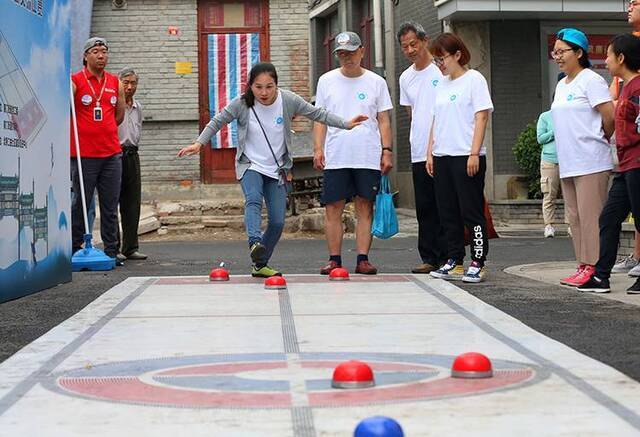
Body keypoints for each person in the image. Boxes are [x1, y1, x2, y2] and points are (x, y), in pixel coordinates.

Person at [177, 62, 367, 277]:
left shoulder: (288, 100)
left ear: (277, 85)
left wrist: (346, 123)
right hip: (250, 165)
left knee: (277, 221)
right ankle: (254, 242)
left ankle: (260, 263)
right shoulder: (241, 104)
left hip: (277, 169)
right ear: (250, 86)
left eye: (269, 86)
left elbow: (317, 114)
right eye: (258, 87)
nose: (264, 92)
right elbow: (218, 120)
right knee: (254, 199)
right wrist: (199, 143)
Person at [313, 31, 393, 275]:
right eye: (341, 54)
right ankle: (334, 259)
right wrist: (318, 147)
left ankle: (363, 259)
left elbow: (384, 120)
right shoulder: (326, 80)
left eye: (351, 52)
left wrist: (386, 151)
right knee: (333, 208)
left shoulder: (376, 82)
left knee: (364, 208)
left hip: (367, 155)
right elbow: (319, 119)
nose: (347, 58)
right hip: (336, 155)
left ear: (362, 51)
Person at [426, 32, 494, 283]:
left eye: (442, 58)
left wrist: (474, 152)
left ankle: (478, 261)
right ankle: (454, 260)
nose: (439, 64)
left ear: (457, 54)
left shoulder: (474, 79)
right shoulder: (441, 84)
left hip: (466, 155)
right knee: (448, 212)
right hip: (442, 155)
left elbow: (481, 116)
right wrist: (430, 152)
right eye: (436, 60)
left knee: (471, 210)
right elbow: (436, 119)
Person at [550, 28, 615, 287]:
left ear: (579, 52)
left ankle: (595, 267)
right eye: (554, 51)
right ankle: (582, 264)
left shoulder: (591, 80)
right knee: (575, 218)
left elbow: (608, 115)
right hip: (568, 161)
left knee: (591, 218)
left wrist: (601, 138)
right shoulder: (561, 84)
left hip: (591, 160)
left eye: (562, 51)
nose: (557, 56)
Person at [578, 34, 640, 294]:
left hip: (637, 163)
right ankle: (601, 276)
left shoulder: (637, 88)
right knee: (609, 217)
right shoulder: (626, 87)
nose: (606, 59)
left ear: (621, 58)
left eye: (609, 54)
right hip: (625, 166)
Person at [71, 37, 126, 265]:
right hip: (83, 155)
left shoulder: (115, 82)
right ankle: (75, 247)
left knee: (110, 205)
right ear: (86, 56)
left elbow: (119, 115)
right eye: (95, 51)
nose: (101, 55)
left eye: (104, 51)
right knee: (80, 204)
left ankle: (112, 251)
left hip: (111, 153)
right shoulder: (75, 80)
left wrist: (103, 129)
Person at [397, 21, 446, 273]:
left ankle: (449, 256)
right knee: (425, 206)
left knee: (445, 204)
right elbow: (411, 112)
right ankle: (429, 257)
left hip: (444, 147)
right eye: (405, 46)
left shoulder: (442, 69)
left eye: (413, 44)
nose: (410, 50)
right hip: (418, 149)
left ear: (425, 40)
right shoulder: (406, 77)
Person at [610, 0, 640, 276]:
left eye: (636, 3)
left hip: (635, 155)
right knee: (612, 217)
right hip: (626, 159)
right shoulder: (629, 44)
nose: (629, 7)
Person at [116, 67, 147, 261]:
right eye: (125, 82)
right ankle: (113, 248)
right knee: (112, 203)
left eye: (133, 83)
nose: (129, 86)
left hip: (133, 155)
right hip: (115, 155)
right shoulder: (114, 105)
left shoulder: (138, 107)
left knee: (132, 204)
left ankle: (130, 247)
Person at [537, 109, 563, 238]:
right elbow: (540, 138)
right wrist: (554, 132)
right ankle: (549, 225)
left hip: (568, 159)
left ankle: (571, 226)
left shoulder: (569, 115)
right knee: (549, 194)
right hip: (549, 160)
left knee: (570, 196)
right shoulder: (545, 116)